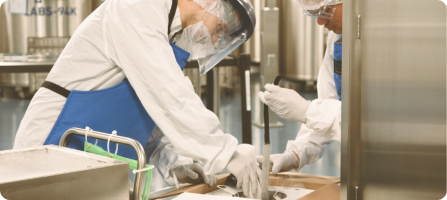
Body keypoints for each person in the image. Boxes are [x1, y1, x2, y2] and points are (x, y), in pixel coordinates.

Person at [13, 0, 260, 195]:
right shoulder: (137, 6)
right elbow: (168, 94)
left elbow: (144, 111)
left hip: (96, 155)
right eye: (219, 29)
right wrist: (227, 152)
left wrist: (172, 161)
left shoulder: (171, 34)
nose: (215, 39)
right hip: (55, 142)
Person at [257, 0, 343, 174]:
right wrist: (297, 153)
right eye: (314, 13)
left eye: (326, 10)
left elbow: (376, 125)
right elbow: (329, 102)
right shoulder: (338, 37)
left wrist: (307, 111)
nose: (320, 21)